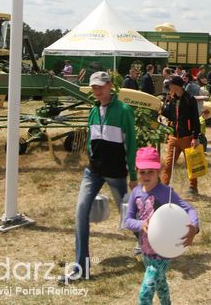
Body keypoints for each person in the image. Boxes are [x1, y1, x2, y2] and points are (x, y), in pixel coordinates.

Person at [63, 72, 138, 283]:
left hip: (116, 173)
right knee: (80, 213)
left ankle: (148, 245)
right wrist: (92, 158)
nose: (97, 90)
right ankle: (81, 267)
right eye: (94, 86)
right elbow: (90, 141)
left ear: (110, 86)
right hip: (93, 171)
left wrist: (132, 174)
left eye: (101, 86)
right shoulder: (93, 111)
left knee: (127, 214)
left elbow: (131, 143)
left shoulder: (124, 111)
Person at [124, 147, 199, 305]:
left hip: (163, 251)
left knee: (147, 290)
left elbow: (189, 209)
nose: (146, 176)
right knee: (161, 284)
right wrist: (141, 224)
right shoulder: (136, 192)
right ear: (137, 171)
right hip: (146, 250)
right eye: (142, 172)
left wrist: (194, 227)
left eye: (150, 171)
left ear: (158, 171)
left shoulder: (166, 193)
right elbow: (128, 220)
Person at [161, 76, 201, 196]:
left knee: (190, 164)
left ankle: (193, 187)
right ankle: (163, 189)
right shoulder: (172, 99)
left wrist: (195, 137)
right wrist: (162, 105)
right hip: (173, 137)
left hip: (187, 137)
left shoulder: (190, 99)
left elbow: (195, 119)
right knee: (168, 165)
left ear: (176, 86)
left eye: (170, 86)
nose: (169, 88)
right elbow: (168, 114)